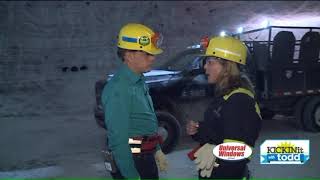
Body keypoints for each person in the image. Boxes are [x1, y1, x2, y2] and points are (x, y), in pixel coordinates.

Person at [186, 36, 262, 179]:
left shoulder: (238, 101)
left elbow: (236, 154)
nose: (205, 67)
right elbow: (221, 131)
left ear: (227, 66)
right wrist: (199, 130)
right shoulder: (226, 94)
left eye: (210, 62)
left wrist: (215, 154)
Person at [101, 23, 168, 179]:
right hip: (131, 162)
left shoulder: (138, 80)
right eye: (147, 54)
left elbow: (144, 121)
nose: (153, 58)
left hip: (143, 155)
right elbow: (119, 141)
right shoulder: (119, 88)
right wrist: (132, 176)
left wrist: (156, 149)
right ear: (129, 55)